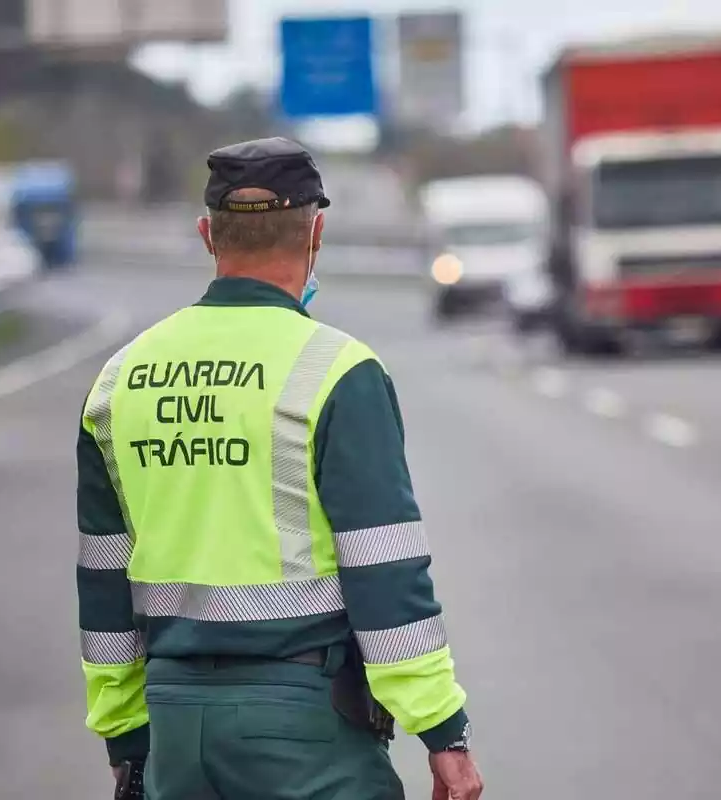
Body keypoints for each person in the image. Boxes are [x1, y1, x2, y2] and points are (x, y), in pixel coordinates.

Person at [74, 137, 483, 800]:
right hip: (306, 730)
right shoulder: (338, 372)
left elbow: (103, 586)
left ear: (208, 235)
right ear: (316, 232)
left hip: (176, 728)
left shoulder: (119, 382)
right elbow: (384, 569)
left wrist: (127, 741)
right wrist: (444, 733)